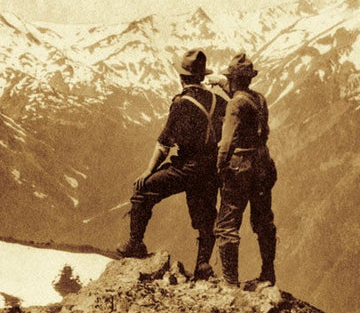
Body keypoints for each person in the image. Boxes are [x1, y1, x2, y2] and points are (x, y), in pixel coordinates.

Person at [117, 48, 228, 280]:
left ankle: (135, 244)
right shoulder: (218, 101)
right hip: (210, 170)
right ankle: (203, 265)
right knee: (206, 218)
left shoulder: (181, 103)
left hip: (186, 168)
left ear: (182, 77)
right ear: (202, 76)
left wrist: (148, 171)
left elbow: (164, 144)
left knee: (143, 190)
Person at [214, 54, 278, 288]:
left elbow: (226, 142)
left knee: (227, 224)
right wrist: (222, 84)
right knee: (263, 221)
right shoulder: (259, 99)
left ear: (234, 79)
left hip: (240, 166)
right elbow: (241, 98)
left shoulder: (234, 105)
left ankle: (230, 281)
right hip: (263, 163)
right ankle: (268, 273)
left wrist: (220, 166)